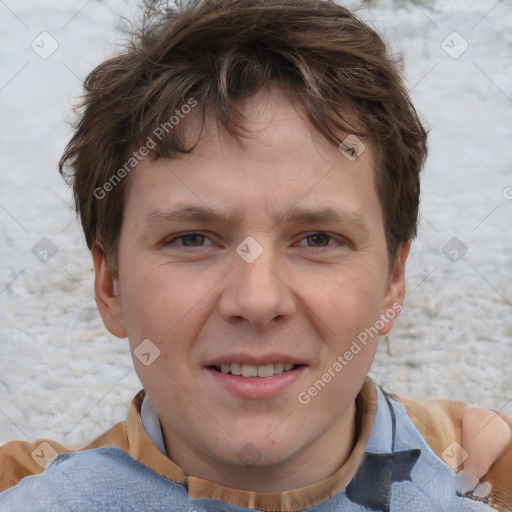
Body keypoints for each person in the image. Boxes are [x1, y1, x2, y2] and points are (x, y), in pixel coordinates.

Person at [1, 0, 511, 510]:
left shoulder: (488, 475)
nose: (257, 299)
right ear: (110, 284)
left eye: (317, 239)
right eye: (193, 239)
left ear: (392, 282)